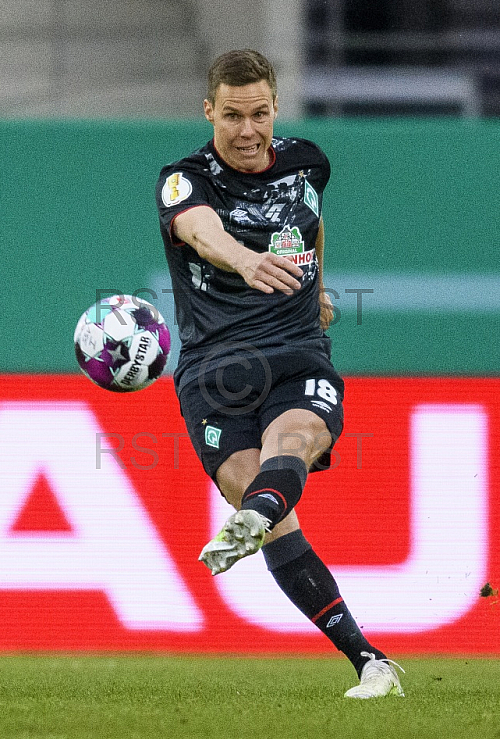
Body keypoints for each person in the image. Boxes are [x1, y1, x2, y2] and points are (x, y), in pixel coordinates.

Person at [155, 49, 404, 699]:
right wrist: (243, 259)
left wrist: (321, 284)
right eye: (232, 115)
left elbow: (311, 220)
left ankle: (254, 518)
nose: (247, 129)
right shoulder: (184, 181)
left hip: (295, 352)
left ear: (274, 108)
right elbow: (202, 233)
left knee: (290, 443)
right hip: (214, 368)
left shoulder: (307, 160)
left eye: (259, 113)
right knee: (252, 486)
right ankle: (369, 660)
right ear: (210, 111)